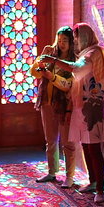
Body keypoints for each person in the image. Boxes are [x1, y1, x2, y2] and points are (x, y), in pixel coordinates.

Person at [39, 22, 104, 203]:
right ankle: (93, 182)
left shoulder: (93, 53)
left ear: (84, 37)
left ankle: (100, 190)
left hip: (92, 107)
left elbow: (76, 68)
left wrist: (53, 61)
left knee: (93, 147)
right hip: (82, 105)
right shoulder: (86, 53)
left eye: (76, 38)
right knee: (86, 145)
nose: (75, 41)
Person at [30, 26, 77, 186]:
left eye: (65, 40)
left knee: (67, 142)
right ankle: (52, 172)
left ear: (71, 42)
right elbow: (35, 72)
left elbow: (68, 84)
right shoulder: (51, 55)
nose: (62, 44)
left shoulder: (73, 61)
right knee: (50, 140)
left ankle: (69, 176)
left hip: (65, 105)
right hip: (47, 103)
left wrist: (52, 77)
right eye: (60, 40)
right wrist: (40, 57)